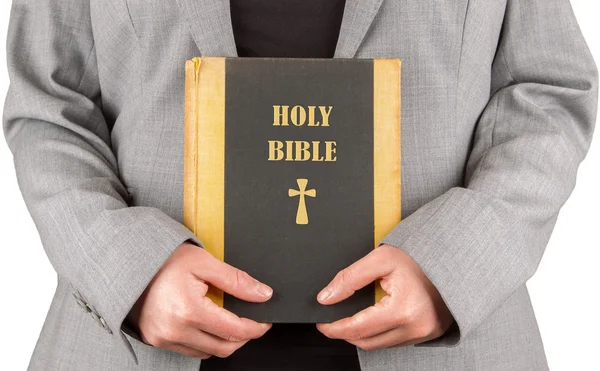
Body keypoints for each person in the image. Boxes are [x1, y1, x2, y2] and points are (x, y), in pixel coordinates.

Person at [2, 0, 597, 370]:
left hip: (447, 352)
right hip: (134, 350)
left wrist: (457, 267)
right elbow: (50, 103)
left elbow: (546, 92)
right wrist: (128, 271)